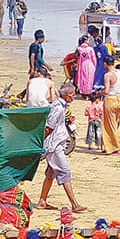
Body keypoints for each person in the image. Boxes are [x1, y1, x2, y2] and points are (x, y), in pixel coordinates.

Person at [36, 84, 86, 212]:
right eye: (73, 94)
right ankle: (74, 204)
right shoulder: (58, 107)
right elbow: (49, 127)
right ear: (66, 94)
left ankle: (42, 201)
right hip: (54, 145)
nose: (74, 96)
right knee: (64, 171)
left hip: (57, 143)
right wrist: (40, 142)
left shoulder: (61, 106)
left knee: (50, 173)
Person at [101, 58, 120, 154]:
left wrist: (100, 93)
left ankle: (115, 148)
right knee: (114, 123)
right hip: (119, 99)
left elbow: (107, 91)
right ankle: (108, 146)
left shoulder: (108, 75)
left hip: (111, 99)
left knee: (110, 125)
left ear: (105, 64)